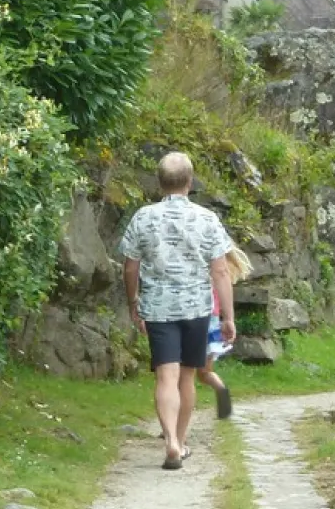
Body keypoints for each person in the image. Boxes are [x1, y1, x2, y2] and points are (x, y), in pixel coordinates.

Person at [118, 152, 236, 471]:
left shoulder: (143, 217)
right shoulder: (207, 219)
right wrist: (227, 317)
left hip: (157, 308)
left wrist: (134, 303)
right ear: (190, 181)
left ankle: (169, 439)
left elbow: (130, 268)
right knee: (187, 377)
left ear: (159, 183)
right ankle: (180, 443)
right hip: (197, 308)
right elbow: (221, 271)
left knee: (165, 376)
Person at [197, 246, 253, 420]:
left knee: (179, 374)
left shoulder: (197, 267)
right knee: (205, 371)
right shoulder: (219, 271)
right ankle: (221, 389)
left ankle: (172, 425)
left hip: (193, 317)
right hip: (212, 322)